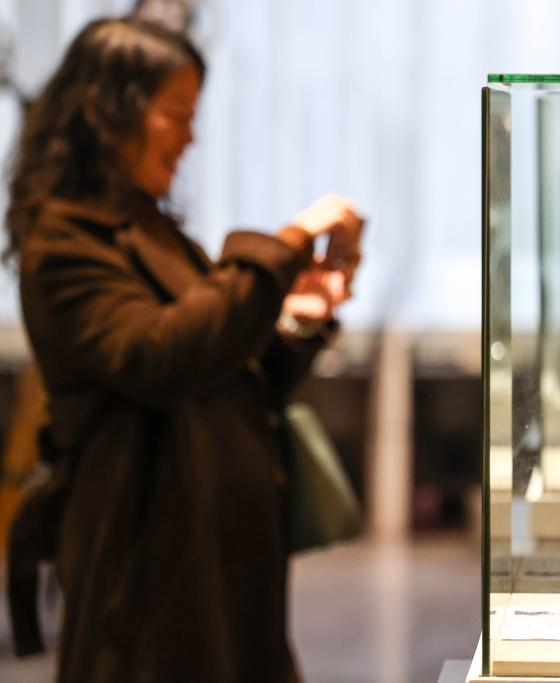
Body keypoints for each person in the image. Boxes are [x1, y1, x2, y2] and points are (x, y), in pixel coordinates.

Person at [5, 17, 362, 682]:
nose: (191, 137)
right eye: (177, 114)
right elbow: (158, 357)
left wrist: (298, 320)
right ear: (109, 114)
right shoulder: (64, 244)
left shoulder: (150, 230)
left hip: (215, 563)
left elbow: (228, 370)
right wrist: (285, 245)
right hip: (147, 572)